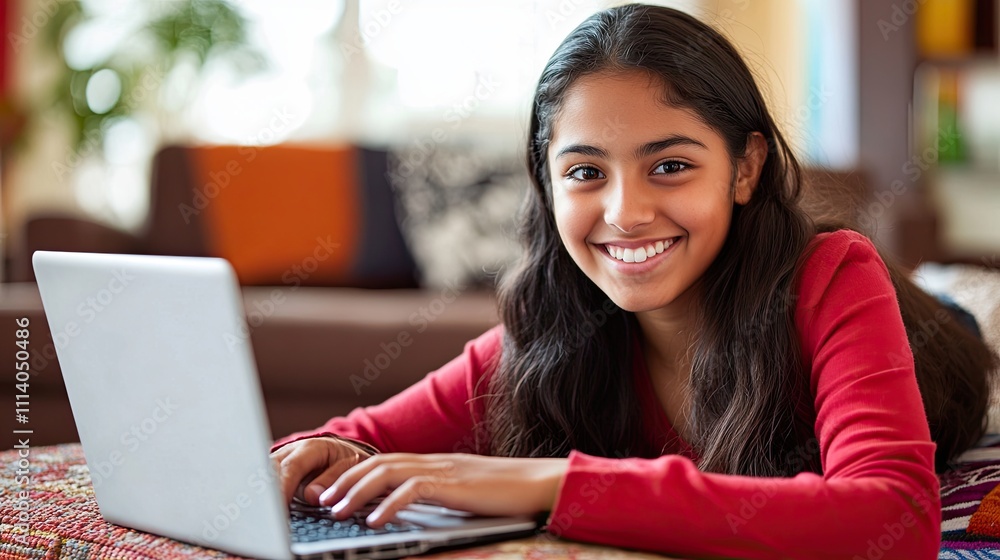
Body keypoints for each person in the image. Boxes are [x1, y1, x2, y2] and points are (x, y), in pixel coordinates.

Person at [270, 4, 997, 558]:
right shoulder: (552, 324)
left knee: (966, 299)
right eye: (586, 172)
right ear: (548, 185)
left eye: (671, 165)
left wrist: (553, 483)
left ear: (745, 168)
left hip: (940, 322)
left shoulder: (834, 276)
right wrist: (327, 456)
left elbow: (893, 521)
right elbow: (352, 441)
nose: (627, 213)